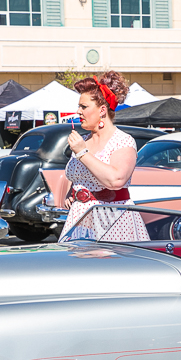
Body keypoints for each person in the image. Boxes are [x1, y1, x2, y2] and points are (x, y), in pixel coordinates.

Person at [61, 71, 148, 240]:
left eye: (84, 107)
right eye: (79, 107)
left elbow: (116, 180)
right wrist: (72, 193)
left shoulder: (123, 141)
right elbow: (77, 176)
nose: (78, 111)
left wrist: (82, 153)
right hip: (78, 220)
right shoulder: (83, 140)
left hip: (112, 219)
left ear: (102, 110)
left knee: (109, 258)